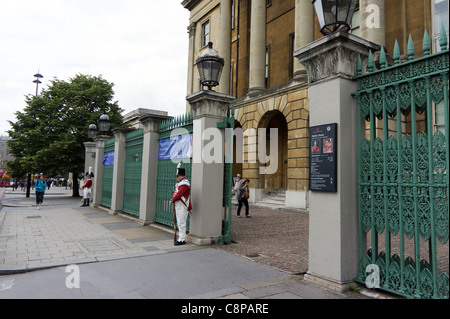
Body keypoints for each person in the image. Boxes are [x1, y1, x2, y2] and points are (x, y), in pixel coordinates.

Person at [170, 164, 192, 246]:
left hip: (182, 206)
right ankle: (180, 238)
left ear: (181, 176)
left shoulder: (184, 184)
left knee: (181, 223)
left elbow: (179, 194)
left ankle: (182, 239)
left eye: (177, 176)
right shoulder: (180, 184)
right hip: (179, 205)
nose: (177, 177)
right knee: (179, 223)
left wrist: (172, 200)